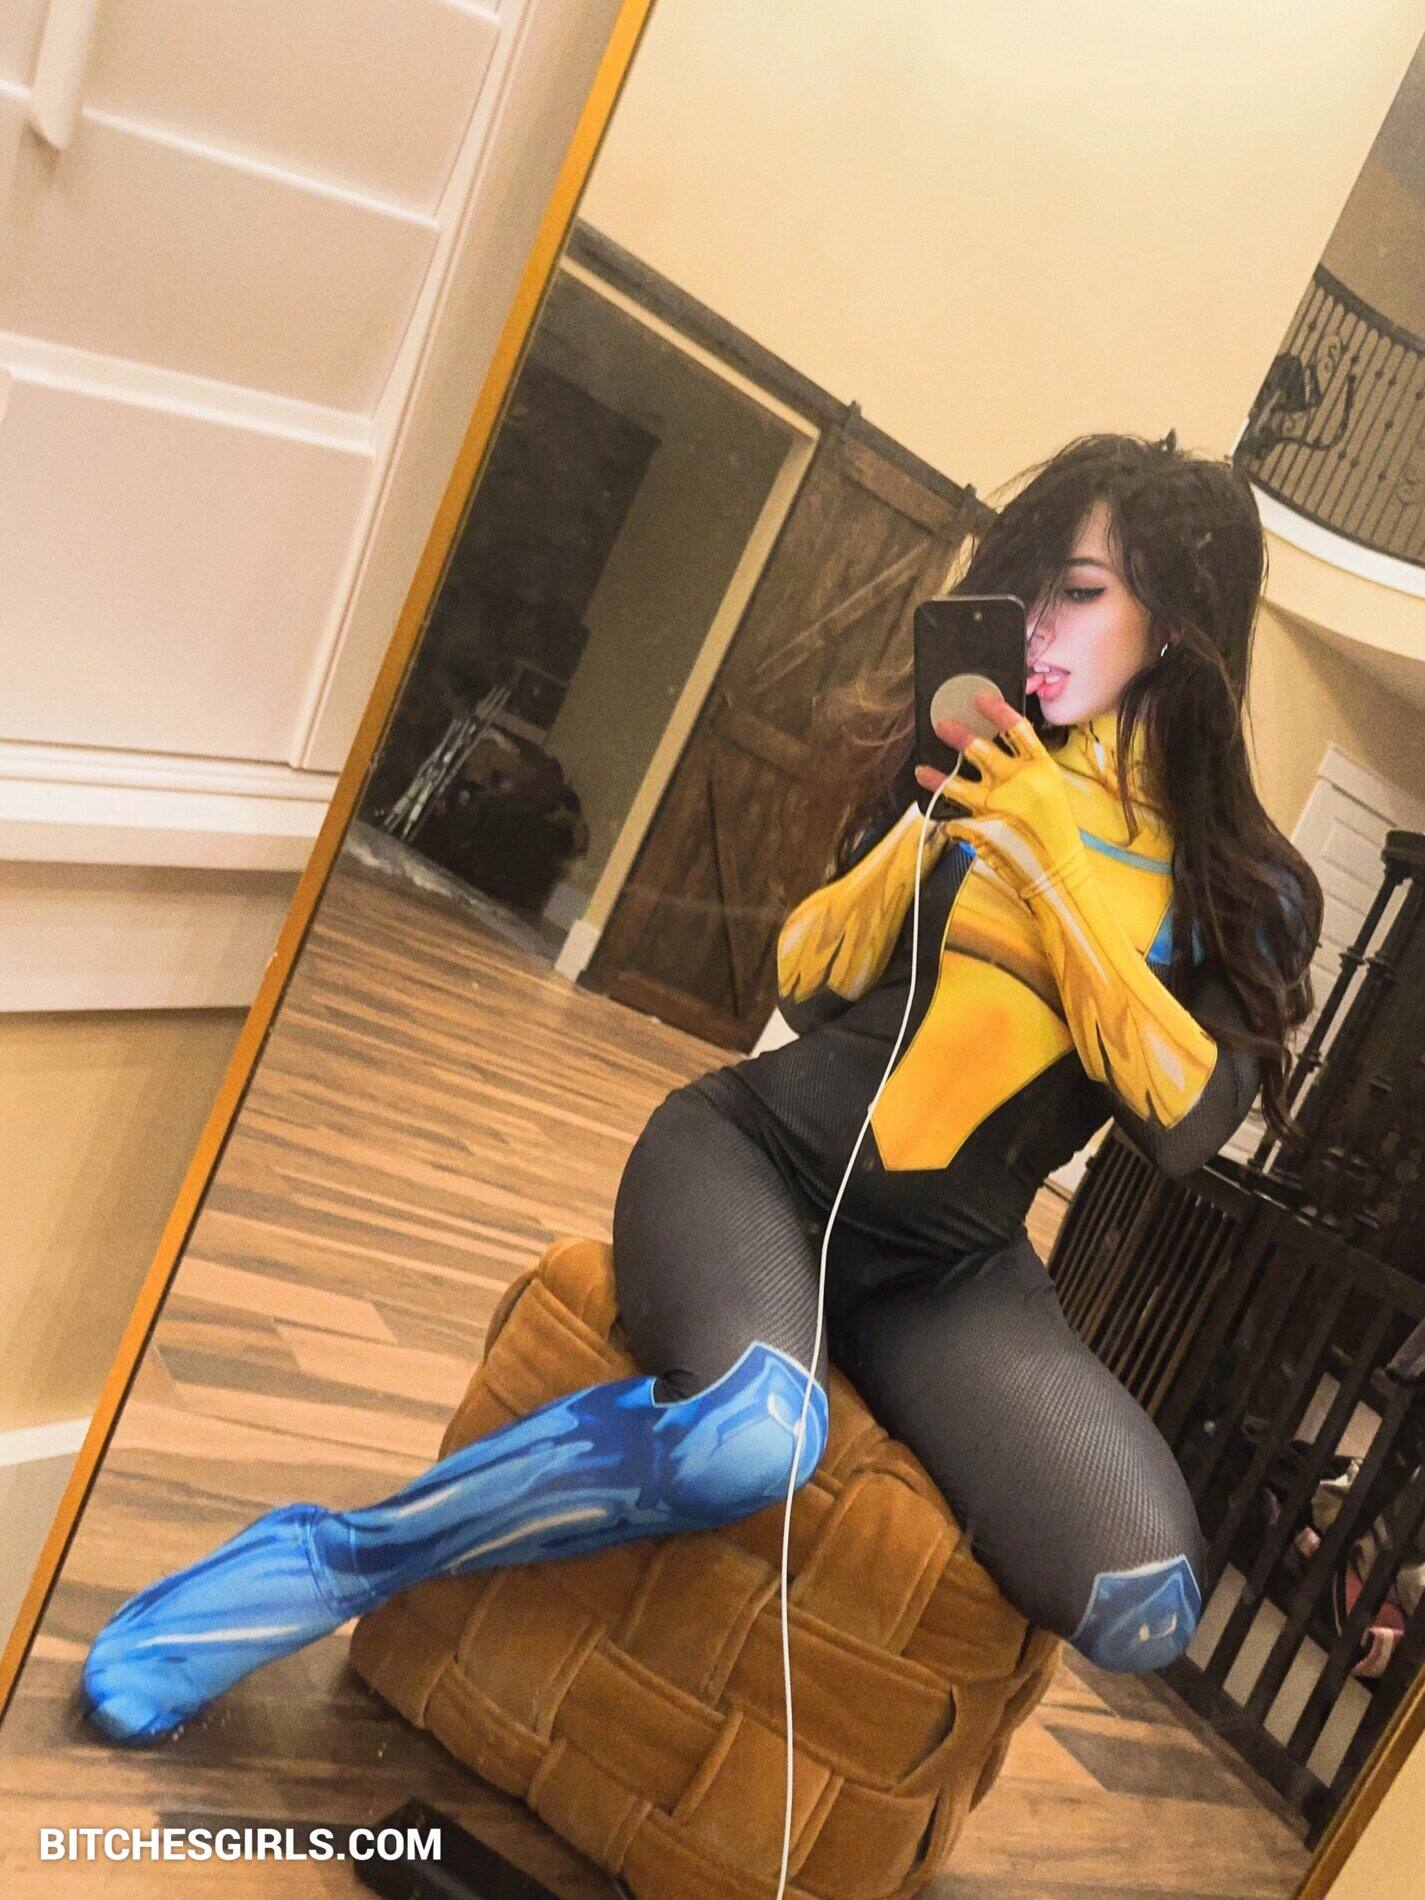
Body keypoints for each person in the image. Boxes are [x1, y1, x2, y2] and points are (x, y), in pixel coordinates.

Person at [81, 432, 1321, 1746]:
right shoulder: (988, 770)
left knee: (1143, 1601)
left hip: (950, 1271)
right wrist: (928, 836)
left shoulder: (1246, 884)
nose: (1036, 626)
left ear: (1174, 621)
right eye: (1035, 588)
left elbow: (1186, 1124)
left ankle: (826, 1349)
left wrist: (1057, 873)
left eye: (1080, 590)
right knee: (749, 1439)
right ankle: (336, 1559)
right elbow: (807, 983)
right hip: (758, 1163)